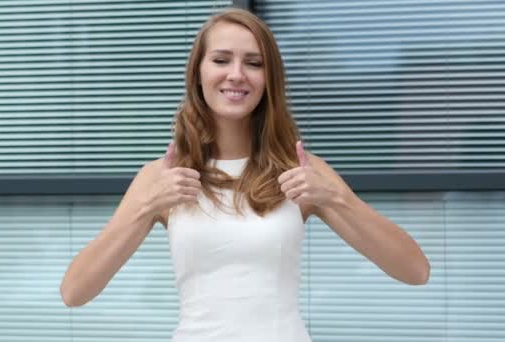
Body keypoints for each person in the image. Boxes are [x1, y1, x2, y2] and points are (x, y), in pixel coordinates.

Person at [60, 7, 430, 342]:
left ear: (269, 78)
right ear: (199, 72)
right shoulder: (163, 176)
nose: (236, 74)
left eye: (253, 63)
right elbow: (74, 292)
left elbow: (415, 270)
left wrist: (336, 198)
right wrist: (146, 208)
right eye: (221, 59)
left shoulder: (300, 171)